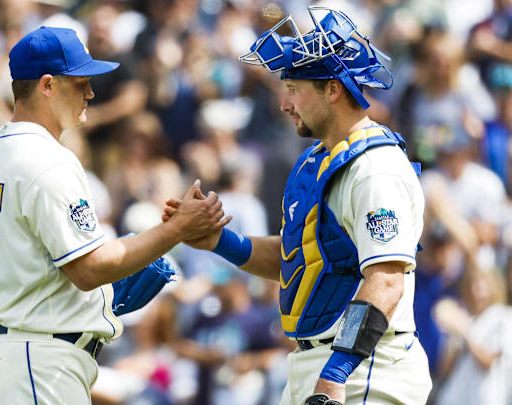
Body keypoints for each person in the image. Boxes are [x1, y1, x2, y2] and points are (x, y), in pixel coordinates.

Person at [0, 26, 228, 405]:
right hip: (40, 364)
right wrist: (175, 230)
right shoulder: (48, 159)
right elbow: (88, 270)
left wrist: (36, 288)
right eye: (80, 82)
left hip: (4, 360)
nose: (91, 93)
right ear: (47, 85)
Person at [164, 7, 431, 404]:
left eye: (295, 88)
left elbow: (386, 280)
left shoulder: (376, 168)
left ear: (333, 90)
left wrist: (335, 375)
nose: (286, 103)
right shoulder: (317, 160)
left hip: (365, 371)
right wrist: (218, 241)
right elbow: (299, 259)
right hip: (315, 364)